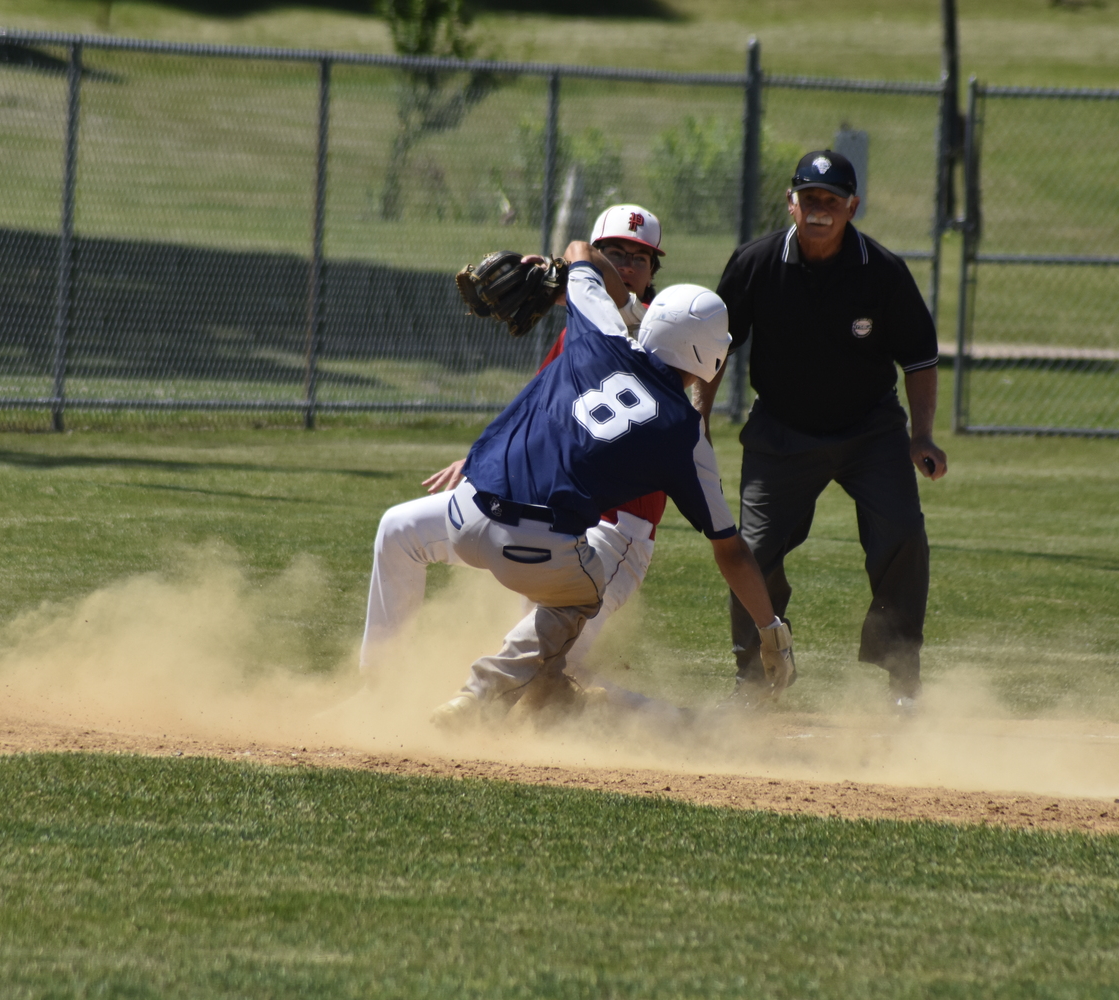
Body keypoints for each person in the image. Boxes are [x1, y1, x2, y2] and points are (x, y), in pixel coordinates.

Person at [430, 240, 792, 727]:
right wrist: (771, 631)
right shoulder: (685, 436)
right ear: (711, 357)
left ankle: (550, 699)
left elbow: (581, 247)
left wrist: (567, 270)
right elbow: (731, 551)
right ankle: (477, 696)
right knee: (578, 600)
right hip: (543, 542)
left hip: (465, 511)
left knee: (553, 670)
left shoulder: (601, 330)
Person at [359, 206, 672, 702]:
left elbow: (622, 314)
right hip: (540, 514)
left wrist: (573, 272)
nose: (628, 266)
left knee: (540, 690)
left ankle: (691, 732)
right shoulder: (579, 329)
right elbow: (539, 406)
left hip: (611, 534)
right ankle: (376, 692)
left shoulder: (663, 334)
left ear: (655, 271)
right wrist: (484, 459)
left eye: (640, 258)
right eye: (615, 253)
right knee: (399, 532)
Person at [699, 150, 948, 712]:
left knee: (904, 534)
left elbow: (921, 359)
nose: (818, 210)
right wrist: (698, 420)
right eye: (809, 198)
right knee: (753, 549)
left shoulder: (882, 271)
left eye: (830, 201)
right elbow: (712, 348)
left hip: (871, 432)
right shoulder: (756, 263)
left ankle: (902, 683)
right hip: (782, 432)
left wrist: (922, 436)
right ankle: (756, 678)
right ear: (791, 203)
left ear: (851, 207)